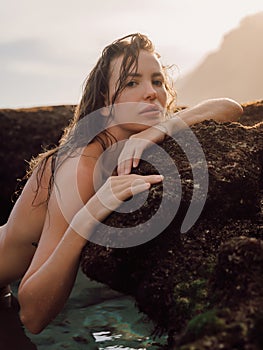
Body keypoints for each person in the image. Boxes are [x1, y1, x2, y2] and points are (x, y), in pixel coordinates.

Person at [0, 33, 243, 335]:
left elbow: (230, 107)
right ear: (104, 99)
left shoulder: (134, 135)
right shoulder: (80, 167)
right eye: (131, 83)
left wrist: (158, 130)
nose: (151, 92)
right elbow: (33, 315)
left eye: (157, 81)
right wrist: (89, 214)